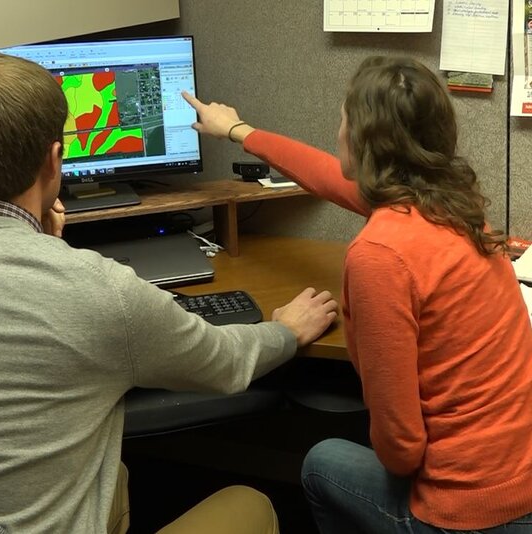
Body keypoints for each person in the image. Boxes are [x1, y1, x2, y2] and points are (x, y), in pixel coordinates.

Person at [0, 52, 339, 534]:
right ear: (54, 160)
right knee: (250, 505)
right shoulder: (95, 289)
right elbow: (225, 362)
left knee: (114, 475)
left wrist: (42, 250)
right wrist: (285, 331)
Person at [182, 55, 532, 533]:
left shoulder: (380, 255)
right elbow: (328, 175)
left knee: (322, 462)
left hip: (466, 510)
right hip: (520, 475)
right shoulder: (452, 201)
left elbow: (402, 450)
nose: (338, 129)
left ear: (365, 144)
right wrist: (240, 130)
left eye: (344, 119)